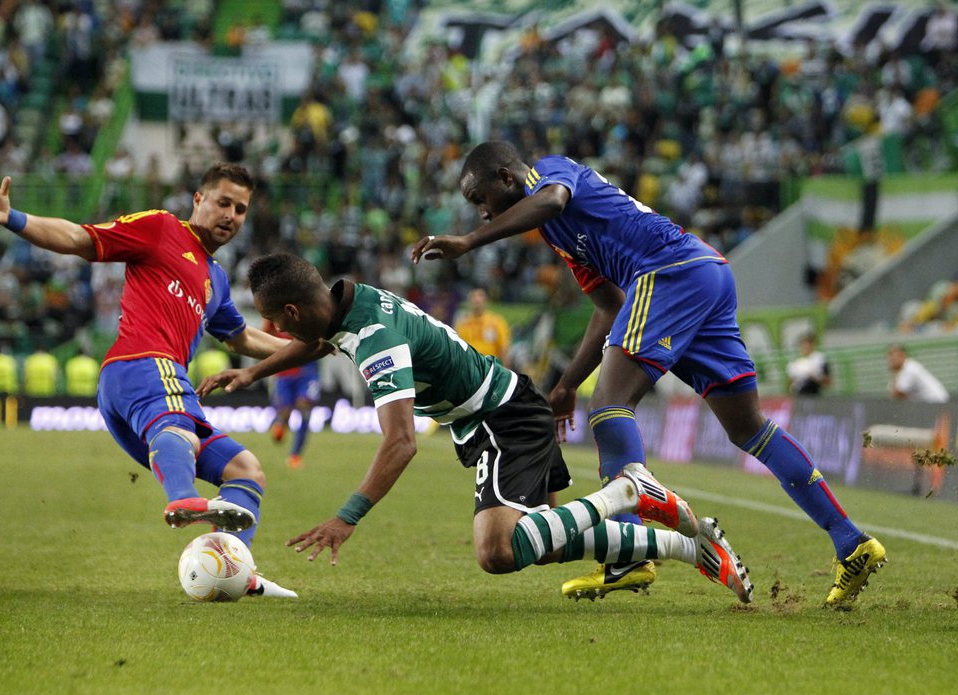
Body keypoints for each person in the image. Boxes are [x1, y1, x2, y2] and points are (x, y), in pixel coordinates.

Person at [411, 141, 886, 607]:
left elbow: (551, 200)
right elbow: (609, 309)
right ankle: (851, 542)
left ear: (506, 179)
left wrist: (470, 244)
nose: (483, 214)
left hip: (670, 270)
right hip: (704, 273)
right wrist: (567, 384)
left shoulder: (552, 175)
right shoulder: (561, 236)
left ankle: (629, 553)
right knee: (749, 428)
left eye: (481, 201)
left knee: (612, 405)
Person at [197, 251, 755, 603]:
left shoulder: (375, 342)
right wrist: (254, 369)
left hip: (499, 419)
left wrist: (347, 518)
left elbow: (400, 442)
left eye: (272, 322)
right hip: (500, 410)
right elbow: (317, 342)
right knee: (548, 538)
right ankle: (689, 544)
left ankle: (627, 491)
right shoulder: (349, 301)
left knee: (498, 550)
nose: (272, 329)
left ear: (289, 312)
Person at [0, 164, 296, 598]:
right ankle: (182, 497)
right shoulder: (161, 228)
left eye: (240, 209)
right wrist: (14, 218)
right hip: (141, 365)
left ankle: (237, 572)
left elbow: (241, 338)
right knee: (178, 425)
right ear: (198, 200)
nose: (232, 216)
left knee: (247, 470)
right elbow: (80, 239)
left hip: (148, 394)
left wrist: (311, 347)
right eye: (224, 202)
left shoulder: (215, 278)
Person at [262, 321, 320, 469]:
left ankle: (295, 455)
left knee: (305, 408)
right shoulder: (273, 312)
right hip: (285, 371)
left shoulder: (309, 306)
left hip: (307, 369)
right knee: (285, 411)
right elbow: (264, 336)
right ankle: (280, 423)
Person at [453, 287, 512, 367]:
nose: (477, 300)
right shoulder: (462, 324)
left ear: (487, 300)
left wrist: (505, 373)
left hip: (491, 368)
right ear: (469, 301)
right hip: (469, 369)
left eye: (480, 296)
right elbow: (457, 351)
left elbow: (504, 349)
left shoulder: (496, 322)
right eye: (473, 296)